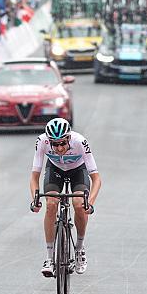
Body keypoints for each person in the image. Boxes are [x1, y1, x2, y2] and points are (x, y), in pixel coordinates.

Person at [30, 118, 101, 276]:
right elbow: (34, 176)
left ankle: (80, 249)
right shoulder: (41, 141)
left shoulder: (80, 142)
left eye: (62, 143)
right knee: (51, 204)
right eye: (55, 144)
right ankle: (49, 258)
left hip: (78, 171)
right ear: (49, 142)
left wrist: (89, 203)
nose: (59, 148)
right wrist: (35, 199)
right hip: (55, 170)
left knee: (78, 203)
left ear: (69, 138)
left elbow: (96, 179)